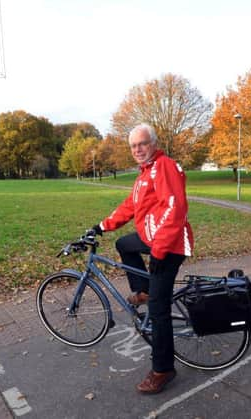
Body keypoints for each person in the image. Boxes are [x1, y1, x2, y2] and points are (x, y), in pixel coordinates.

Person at [88, 123, 194, 394]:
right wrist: (101, 226)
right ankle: (144, 290)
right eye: (134, 146)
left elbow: (176, 208)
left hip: (170, 246)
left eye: (142, 144)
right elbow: (130, 206)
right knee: (124, 244)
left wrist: (159, 251)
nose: (138, 149)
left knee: (158, 313)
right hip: (152, 238)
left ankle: (163, 370)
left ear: (154, 144)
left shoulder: (165, 166)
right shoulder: (144, 174)